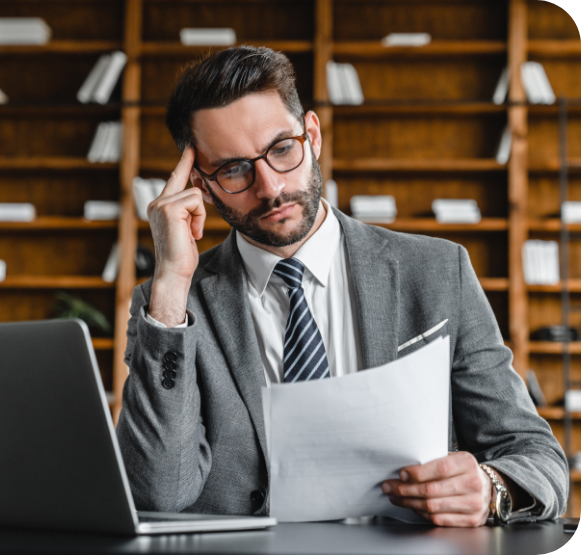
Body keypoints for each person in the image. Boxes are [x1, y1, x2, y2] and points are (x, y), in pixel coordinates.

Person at [117, 46, 568, 527]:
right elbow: (156, 492)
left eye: (281, 150)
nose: (269, 187)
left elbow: (536, 456)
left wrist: (491, 489)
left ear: (312, 135)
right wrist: (170, 283)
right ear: (201, 186)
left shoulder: (438, 271)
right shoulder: (169, 306)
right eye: (233, 169)